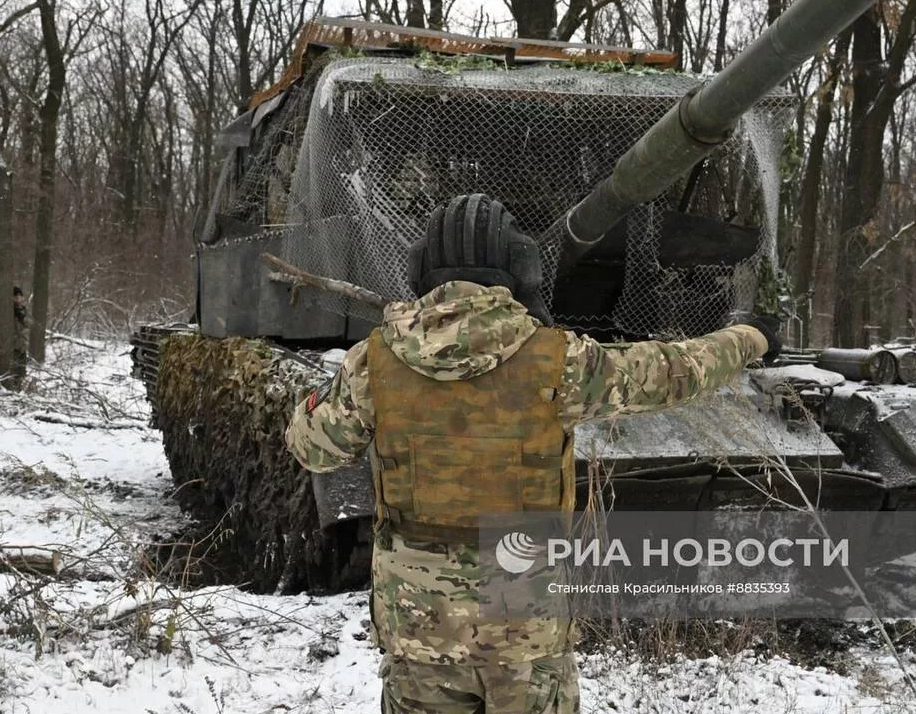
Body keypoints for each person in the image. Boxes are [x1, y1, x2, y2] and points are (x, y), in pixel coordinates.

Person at [287, 193, 779, 714]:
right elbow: (674, 371)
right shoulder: (558, 360)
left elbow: (310, 446)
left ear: (420, 270)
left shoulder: (374, 363)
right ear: (520, 267)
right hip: (527, 634)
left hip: (420, 637)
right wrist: (748, 338)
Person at [10, 285, 30, 389]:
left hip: (22, 346)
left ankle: (18, 390)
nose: (18, 298)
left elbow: (27, 327)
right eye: (15, 296)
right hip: (13, 346)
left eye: (20, 296)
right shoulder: (10, 311)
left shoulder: (23, 310)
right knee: (13, 372)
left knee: (21, 373)